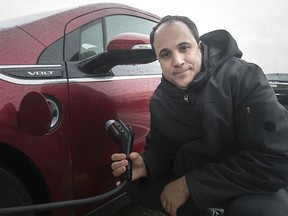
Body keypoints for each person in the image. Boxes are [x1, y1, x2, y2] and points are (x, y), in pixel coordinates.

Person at [111, 15, 288, 216]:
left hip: (244, 181)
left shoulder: (243, 78)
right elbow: (163, 149)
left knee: (255, 210)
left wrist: (190, 185)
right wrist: (146, 165)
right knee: (139, 187)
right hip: (200, 175)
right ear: (158, 59)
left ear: (199, 46)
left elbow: (278, 159)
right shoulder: (160, 99)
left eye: (184, 48)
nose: (177, 61)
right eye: (166, 54)